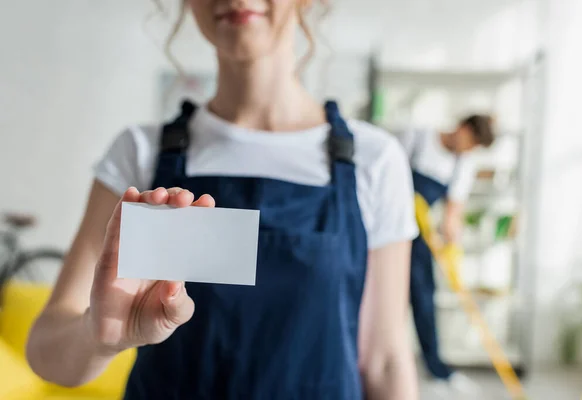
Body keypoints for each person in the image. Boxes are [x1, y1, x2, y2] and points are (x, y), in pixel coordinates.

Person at [25, 1, 420, 399]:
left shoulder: (375, 160)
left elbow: (385, 360)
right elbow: (47, 351)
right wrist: (100, 337)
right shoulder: (139, 152)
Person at [399, 115, 495, 391]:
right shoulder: (417, 136)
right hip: (388, 231)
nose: (469, 150)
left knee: (424, 299)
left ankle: (437, 369)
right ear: (463, 128)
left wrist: (452, 248)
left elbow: (452, 214)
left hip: (420, 239)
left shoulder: (461, 164)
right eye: (471, 142)